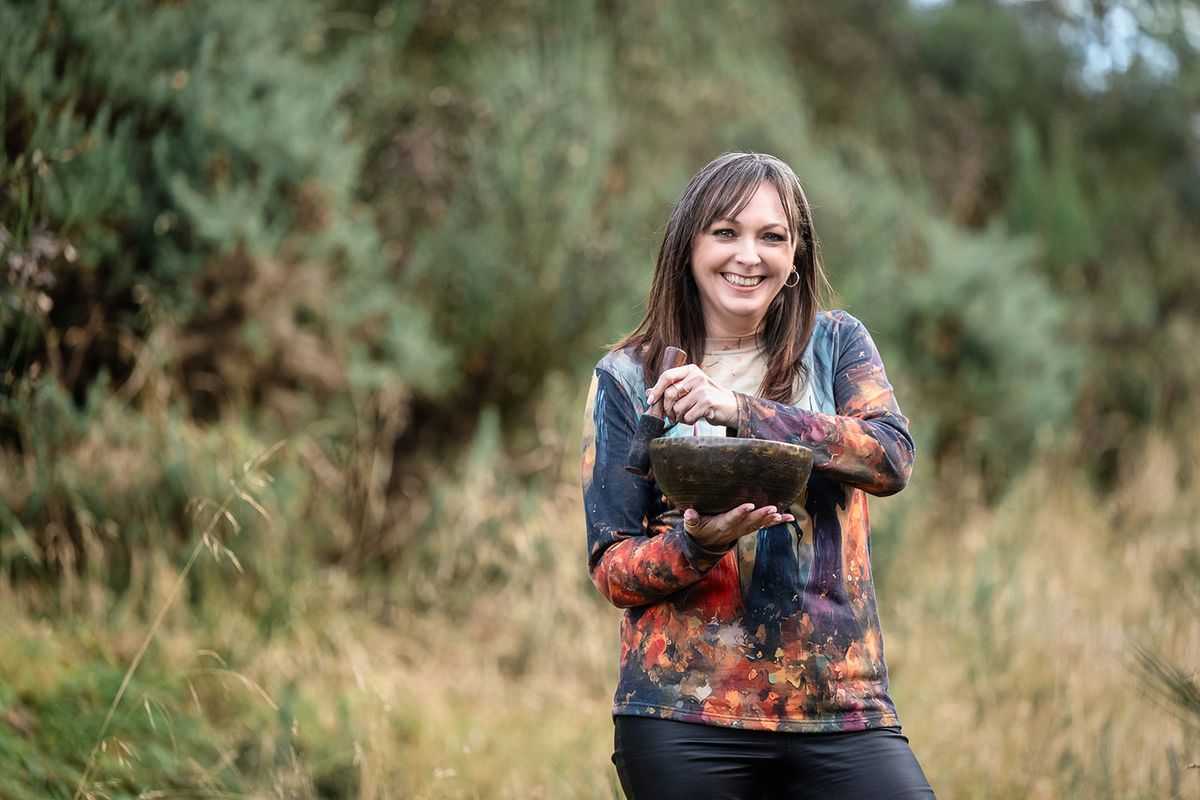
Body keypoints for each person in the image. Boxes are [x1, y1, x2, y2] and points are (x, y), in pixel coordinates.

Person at [580, 152, 935, 799]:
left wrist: (738, 408)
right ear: (689, 244)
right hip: (681, 714)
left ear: (795, 256)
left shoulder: (835, 345)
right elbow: (612, 566)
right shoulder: (630, 378)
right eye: (726, 232)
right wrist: (698, 544)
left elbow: (891, 456)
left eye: (772, 236)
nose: (749, 255)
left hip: (840, 708)